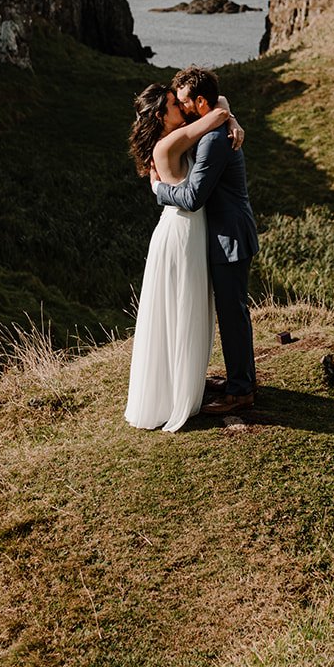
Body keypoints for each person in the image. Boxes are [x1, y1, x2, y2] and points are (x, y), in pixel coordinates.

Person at [123, 83, 241, 431]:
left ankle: (180, 387)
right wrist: (230, 120)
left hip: (186, 231)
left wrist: (232, 120)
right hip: (181, 233)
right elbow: (217, 109)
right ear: (161, 115)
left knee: (180, 310)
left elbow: (219, 100)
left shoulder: (174, 137)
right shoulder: (170, 142)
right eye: (175, 104)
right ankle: (178, 395)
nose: (182, 108)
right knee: (182, 308)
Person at [153, 66, 259, 415]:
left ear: (200, 102)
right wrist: (230, 116)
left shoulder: (214, 140)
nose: (181, 108)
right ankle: (236, 380)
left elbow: (195, 196)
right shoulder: (213, 123)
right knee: (229, 312)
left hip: (229, 238)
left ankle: (241, 391)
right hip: (223, 234)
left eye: (183, 101)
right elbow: (221, 103)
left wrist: (159, 189)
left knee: (233, 314)